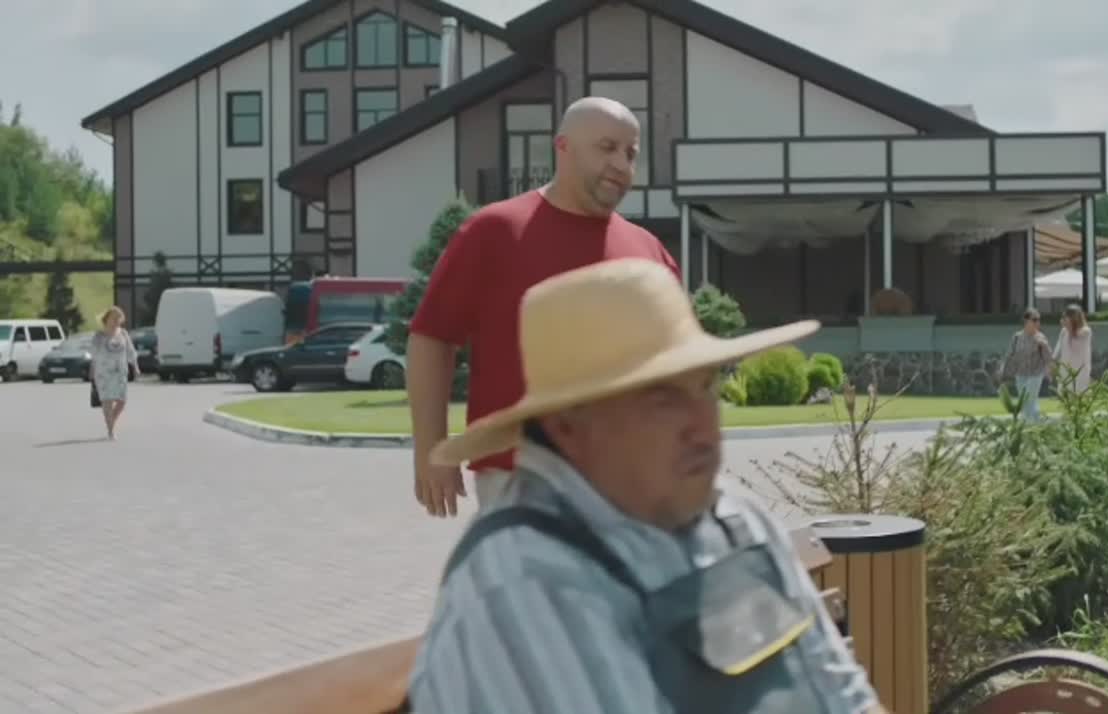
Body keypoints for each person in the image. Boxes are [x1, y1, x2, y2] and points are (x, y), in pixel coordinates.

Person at [407, 258, 885, 714]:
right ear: (567, 425)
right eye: (663, 398)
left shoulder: (736, 519)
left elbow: (845, 698)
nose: (703, 424)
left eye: (706, 386)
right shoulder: (525, 584)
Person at [406, 96, 681, 518]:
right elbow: (432, 338)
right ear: (562, 147)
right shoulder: (494, 231)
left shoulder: (650, 251)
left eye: (631, 153)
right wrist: (431, 450)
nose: (622, 166)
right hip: (524, 482)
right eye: (606, 148)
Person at [89, 306, 141, 440]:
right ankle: (111, 431)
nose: (117, 321)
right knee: (107, 401)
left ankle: (111, 420)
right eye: (114, 318)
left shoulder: (123, 333)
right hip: (103, 373)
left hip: (120, 372)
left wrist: (135, 367)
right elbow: (93, 354)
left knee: (122, 401)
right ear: (107, 319)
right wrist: (92, 370)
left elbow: (131, 351)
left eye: (119, 318)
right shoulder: (99, 335)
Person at [1001, 307, 1053, 422]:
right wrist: (1004, 371)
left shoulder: (1041, 337)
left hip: (1035, 374)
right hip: (1020, 374)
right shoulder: (1017, 337)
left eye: (1038, 320)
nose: (1037, 323)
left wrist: (1043, 345)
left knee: (1029, 398)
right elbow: (1010, 355)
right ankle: (1033, 423)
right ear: (1026, 321)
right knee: (1025, 402)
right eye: (1034, 320)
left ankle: (1033, 423)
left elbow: (1049, 357)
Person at [1053, 304, 1093, 394]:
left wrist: (1068, 326)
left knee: (1080, 395)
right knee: (1064, 396)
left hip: (1080, 372)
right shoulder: (1064, 331)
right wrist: (1053, 361)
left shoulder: (1086, 331)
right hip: (1065, 371)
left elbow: (1076, 336)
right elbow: (1058, 348)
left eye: (1068, 317)